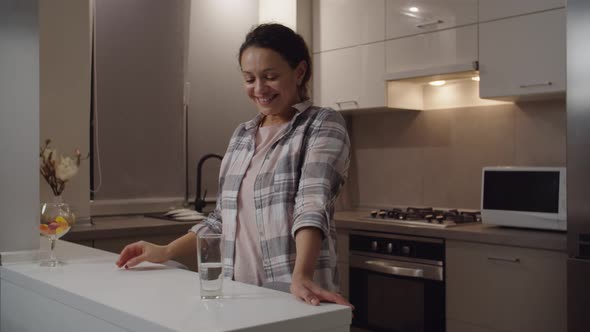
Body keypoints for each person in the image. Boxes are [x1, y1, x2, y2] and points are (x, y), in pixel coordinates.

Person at [116, 23, 352, 308]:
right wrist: (166, 251)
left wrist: (301, 275)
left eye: (270, 76)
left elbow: (311, 203)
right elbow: (223, 218)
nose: (259, 89)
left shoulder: (323, 124)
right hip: (239, 292)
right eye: (249, 79)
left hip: (297, 294)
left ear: (299, 72)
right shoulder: (242, 135)